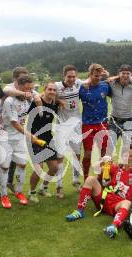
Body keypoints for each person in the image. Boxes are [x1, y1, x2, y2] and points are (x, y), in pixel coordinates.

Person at [65, 147, 132, 239]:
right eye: (125, 155)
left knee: (127, 202)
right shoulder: (116, 168)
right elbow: (95, 167)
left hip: (118, 205)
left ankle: (113, 227)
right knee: (90, 179)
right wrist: (103, 161)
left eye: (131, 156)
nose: (128, 158)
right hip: (104, 199)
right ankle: (79, 211)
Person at [0, 76, 46, 208]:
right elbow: (14, 123)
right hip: (6, 137)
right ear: (18, 87)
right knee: (5, 167)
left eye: (32, 89)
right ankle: (4, 195)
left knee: (22, 165)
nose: (30, 92)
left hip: (19, 138)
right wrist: (31, 136)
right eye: (27, 89)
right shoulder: (9, 101)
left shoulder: (27, 99)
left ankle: (19, 192)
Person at [27, 82, 61, 203]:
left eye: (54, 90)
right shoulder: (36, 102)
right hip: (35, 138)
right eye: (49, 89)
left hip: (48, 138)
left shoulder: (55, 103)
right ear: (44, 90)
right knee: (39, 168)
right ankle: (31, 192)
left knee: (54, 167)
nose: (52, 92)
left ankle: (44, 187)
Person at [54, 65, 84, 193]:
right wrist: (58, 100)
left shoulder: (78, 83)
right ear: (64, 76)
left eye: (73, 76)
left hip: (76, 126)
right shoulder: (56, 86)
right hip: (62, 126)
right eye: (69, 76)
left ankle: (75, 180)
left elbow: (91, 80)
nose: (72, 79)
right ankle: (59, 187)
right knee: (60, 156)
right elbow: (44, 94)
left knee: (77, 155)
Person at [79, 63, 111, 179]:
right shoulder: (82, 88)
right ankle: (86, 177)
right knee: (87, 154)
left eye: (99, 76)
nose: (98, 78)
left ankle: (102, 177)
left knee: (104, 153)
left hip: (102, 124)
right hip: (88, 125)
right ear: (90, 75)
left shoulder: (105, 86)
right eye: (95, 75)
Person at [107, 64, 132, 158]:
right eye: (123, 73)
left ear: (131, 75)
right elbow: (105, 81)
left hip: (128, 121)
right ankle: (108, 172)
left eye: (128, 73)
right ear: (119, 74)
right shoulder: (112, 84)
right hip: (114, 121)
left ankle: (125, 171)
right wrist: (116, 77)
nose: (125, 75)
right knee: (109, 150)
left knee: (129, 150)